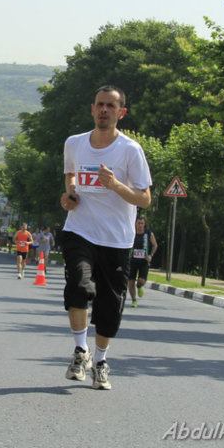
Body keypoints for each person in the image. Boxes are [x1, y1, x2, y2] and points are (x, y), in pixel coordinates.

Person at [60, 86, 152, 390]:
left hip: (116, 240)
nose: (104, 110)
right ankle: (80, 350)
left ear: (121, 112)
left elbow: (145, 199)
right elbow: (70, 176)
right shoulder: (74, 143)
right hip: (79, 230)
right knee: (79, 285)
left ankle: (100, 360)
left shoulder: (129, 150)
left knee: (109, 309)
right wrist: (69, 195)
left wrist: (114, 185)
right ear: (92, 109)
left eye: (111, 106)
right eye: (100, 104)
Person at [127, 216, 157, 307]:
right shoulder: (131, 231)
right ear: (135, 224)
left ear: (144, 224)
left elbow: (155, 245)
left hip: (144, 262)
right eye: (138, 223)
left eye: (142, 223)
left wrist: (150, 256)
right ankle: (134, 300)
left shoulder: (148, 233)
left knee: (141, 281)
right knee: (131, 282)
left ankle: (139, 286)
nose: (140, 225)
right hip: (132, 261)